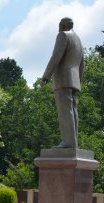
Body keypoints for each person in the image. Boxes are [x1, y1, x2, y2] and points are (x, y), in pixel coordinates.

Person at [42, 17, 84, 149]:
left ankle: (68, 143)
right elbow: (82, 63)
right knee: (73, 111)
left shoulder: (63, 35)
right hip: (74, 80)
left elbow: (56, 56)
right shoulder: (78, 40)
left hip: (63, 78)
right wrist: (78, 80)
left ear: (62, 25)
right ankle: (73, 142)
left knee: (65, 111)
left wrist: (46, 76)